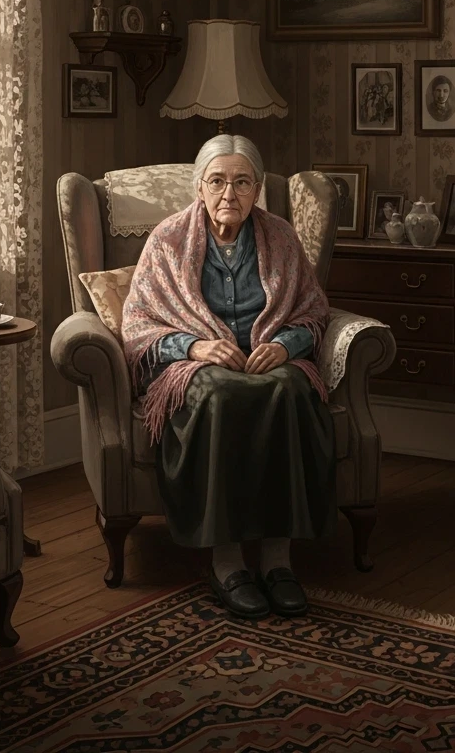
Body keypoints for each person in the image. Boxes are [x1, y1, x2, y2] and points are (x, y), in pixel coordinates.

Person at [122, 135, 334, 621]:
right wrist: (195, 346)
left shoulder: (279, 236)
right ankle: (227, 563)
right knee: (217, 395)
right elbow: (136, 324)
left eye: (241, 182)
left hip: (267, 360)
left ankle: (279, 562)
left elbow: (313, 312)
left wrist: (284, 345)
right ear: (199, 187)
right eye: (217, 181)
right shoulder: (168, 239)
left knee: (290, 388)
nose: (229, 194)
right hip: (197, 366)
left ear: (258, 188)